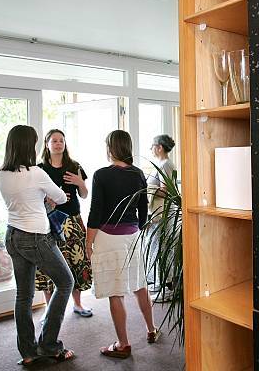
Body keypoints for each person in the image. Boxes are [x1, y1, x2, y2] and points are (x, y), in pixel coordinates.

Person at [0, 125, 75, 366]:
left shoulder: (3, 172)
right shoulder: (36, 173)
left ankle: (29, 352)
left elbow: (21, 199)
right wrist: (48, 197)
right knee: (65, 282)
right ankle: (50, 345)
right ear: (27, 146)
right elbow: (62, 198)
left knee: (23, 295)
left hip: (12, 235)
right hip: (35, 237)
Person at [86, 130, 160, 359]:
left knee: (115, 293)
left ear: (110, 148)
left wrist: (89, 242)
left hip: (109, 238)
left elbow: (95, 211)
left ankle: (123, 344)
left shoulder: (101, 175)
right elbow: (143, 210)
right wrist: (137, 229)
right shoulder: (138, 174)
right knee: (140, 285)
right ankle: (151, 330)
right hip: (133, 235)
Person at [35, 129, 93, 317]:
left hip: (73, 220)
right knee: (49, 265)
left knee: (76, 261)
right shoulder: (40, 169)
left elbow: (84, 195)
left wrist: (79, 182)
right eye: (54, 141)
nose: (58, 144)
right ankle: (49, 310)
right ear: (47, 144)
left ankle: (78, 304)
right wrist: (47, 201)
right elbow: (35, 197)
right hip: (49, 222)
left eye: (61, 140)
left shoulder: (74, 165)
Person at [146, 134, 176, 293]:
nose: (151, 149)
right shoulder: (162, 163)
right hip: (158, 211)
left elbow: (166, 191)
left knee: (161, 246)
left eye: (152, 145)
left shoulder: (165, 164)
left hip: (162, 212)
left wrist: (146, 189)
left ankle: (165, 282)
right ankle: (160, 280)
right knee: (157, 245)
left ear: (159, 147)